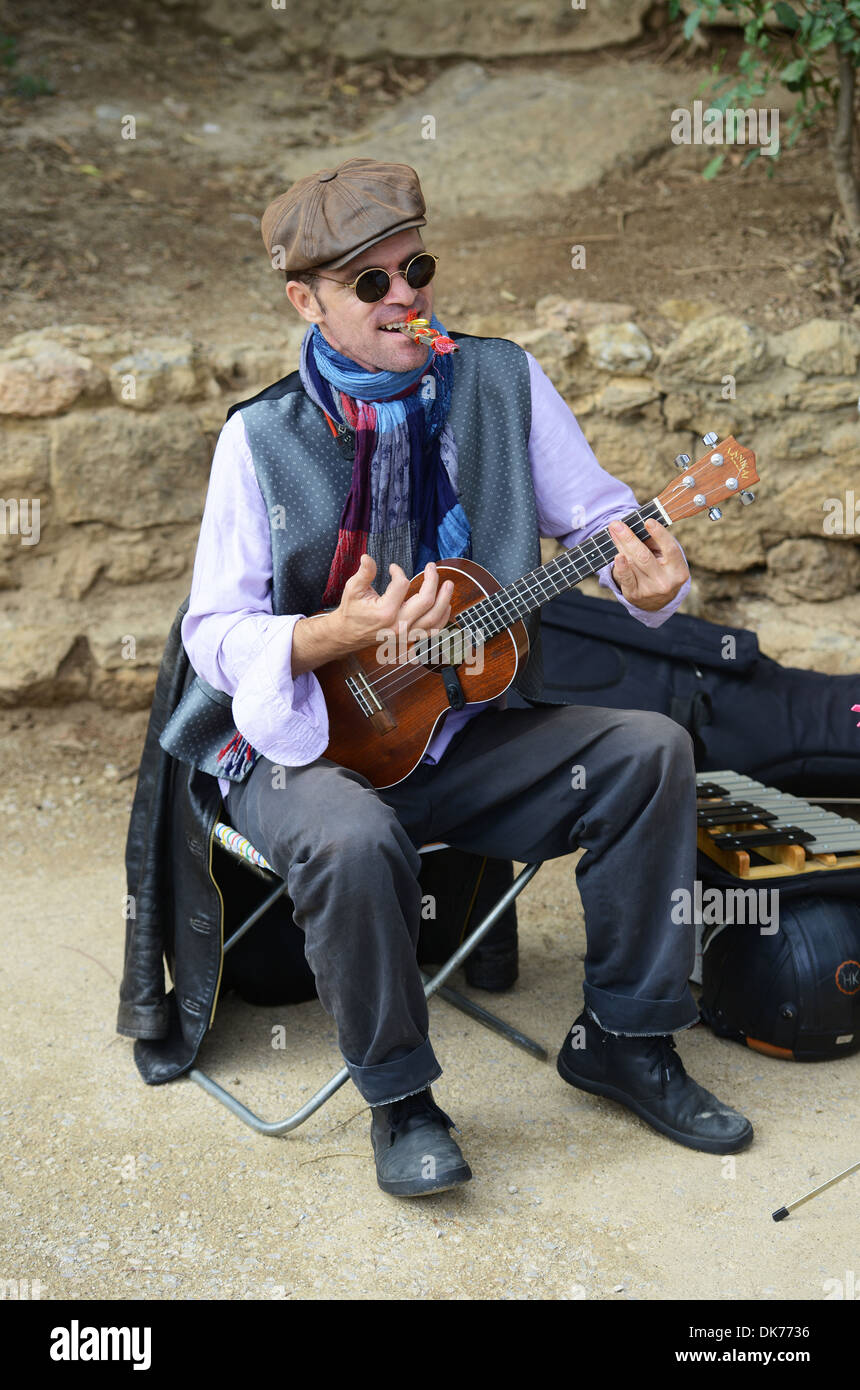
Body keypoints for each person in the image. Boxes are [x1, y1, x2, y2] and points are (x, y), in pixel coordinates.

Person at [178, 157, 753, 1197]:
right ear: (305, 300)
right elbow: (212, 633)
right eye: (370, 283)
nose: (405, 296)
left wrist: (652, 580)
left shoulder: (498, 380)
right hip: (302, 740)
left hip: (451, 734)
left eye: (416, 268)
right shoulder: (258, 438)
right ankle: (400, 1101)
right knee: (350, 835)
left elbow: (596, 521)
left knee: (647, 752)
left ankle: (626, 1037)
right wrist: (325, 635)